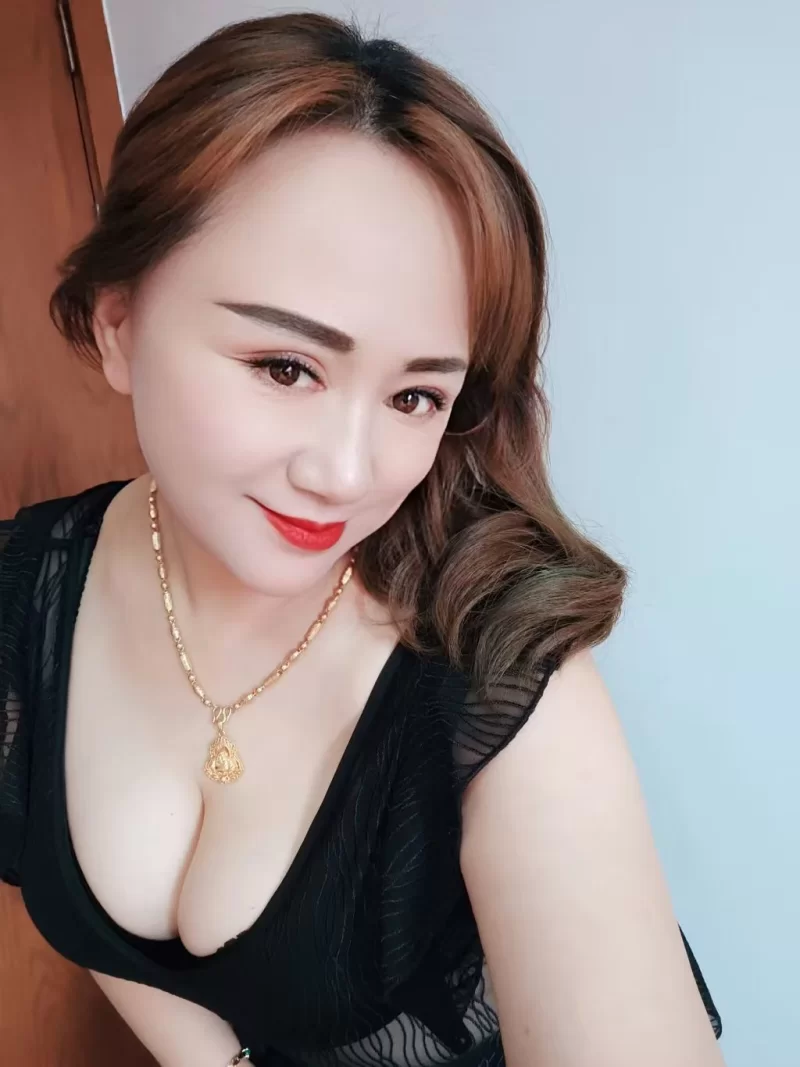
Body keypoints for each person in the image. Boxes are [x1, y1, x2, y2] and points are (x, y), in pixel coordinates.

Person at [0, 12, 724, 1067]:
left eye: (414, 395)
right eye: (285, 367)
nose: (347, 474)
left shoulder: (499, 682)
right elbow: (97, 921)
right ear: (118, 325)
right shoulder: (24, 596)